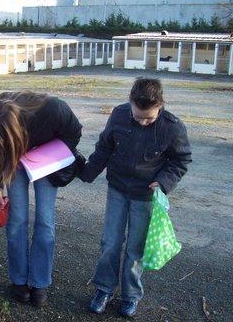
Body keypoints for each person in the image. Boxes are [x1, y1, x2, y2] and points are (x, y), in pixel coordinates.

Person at [79, 77, 192, 317]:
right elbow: (104, 148)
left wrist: (163, 181)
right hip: (117, 189)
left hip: (145, 196)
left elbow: (181, 160)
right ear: (130, 102)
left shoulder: (173, 126)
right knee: (110, 243)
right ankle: (103, 288)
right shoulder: (119, 115)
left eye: (148, 118)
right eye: (138, 115)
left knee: (135, 249)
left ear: (160, 106)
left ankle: (130, 296)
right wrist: (87, 172)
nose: (142, 122)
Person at [0, 91, 84, 307]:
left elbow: (74, 133)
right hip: (14, 158)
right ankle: (19, 280)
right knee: (16, 221)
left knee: (44, 220)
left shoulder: (54, 109)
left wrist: (47, 155)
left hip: (46, 158)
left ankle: (40, 281)